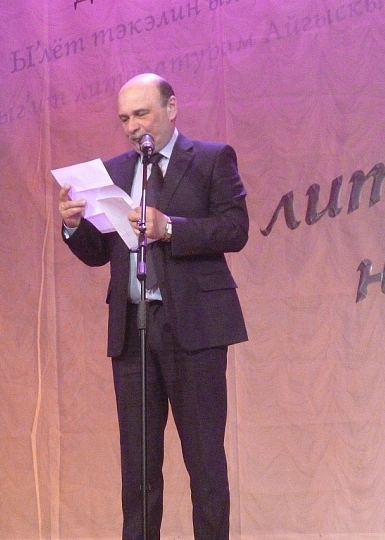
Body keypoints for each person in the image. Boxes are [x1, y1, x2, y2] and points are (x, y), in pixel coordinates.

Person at [58, 73, 249, 539]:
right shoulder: (115, 171)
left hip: (195, 330)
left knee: (204, 460)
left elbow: (234, 229)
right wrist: (73, 226)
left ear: (171, 108)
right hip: (134, 326)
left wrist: (171, 228)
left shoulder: (210, 159)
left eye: (141, 114)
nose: (132, 126)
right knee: (138, 465)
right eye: (124, 118)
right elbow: (99, 253)